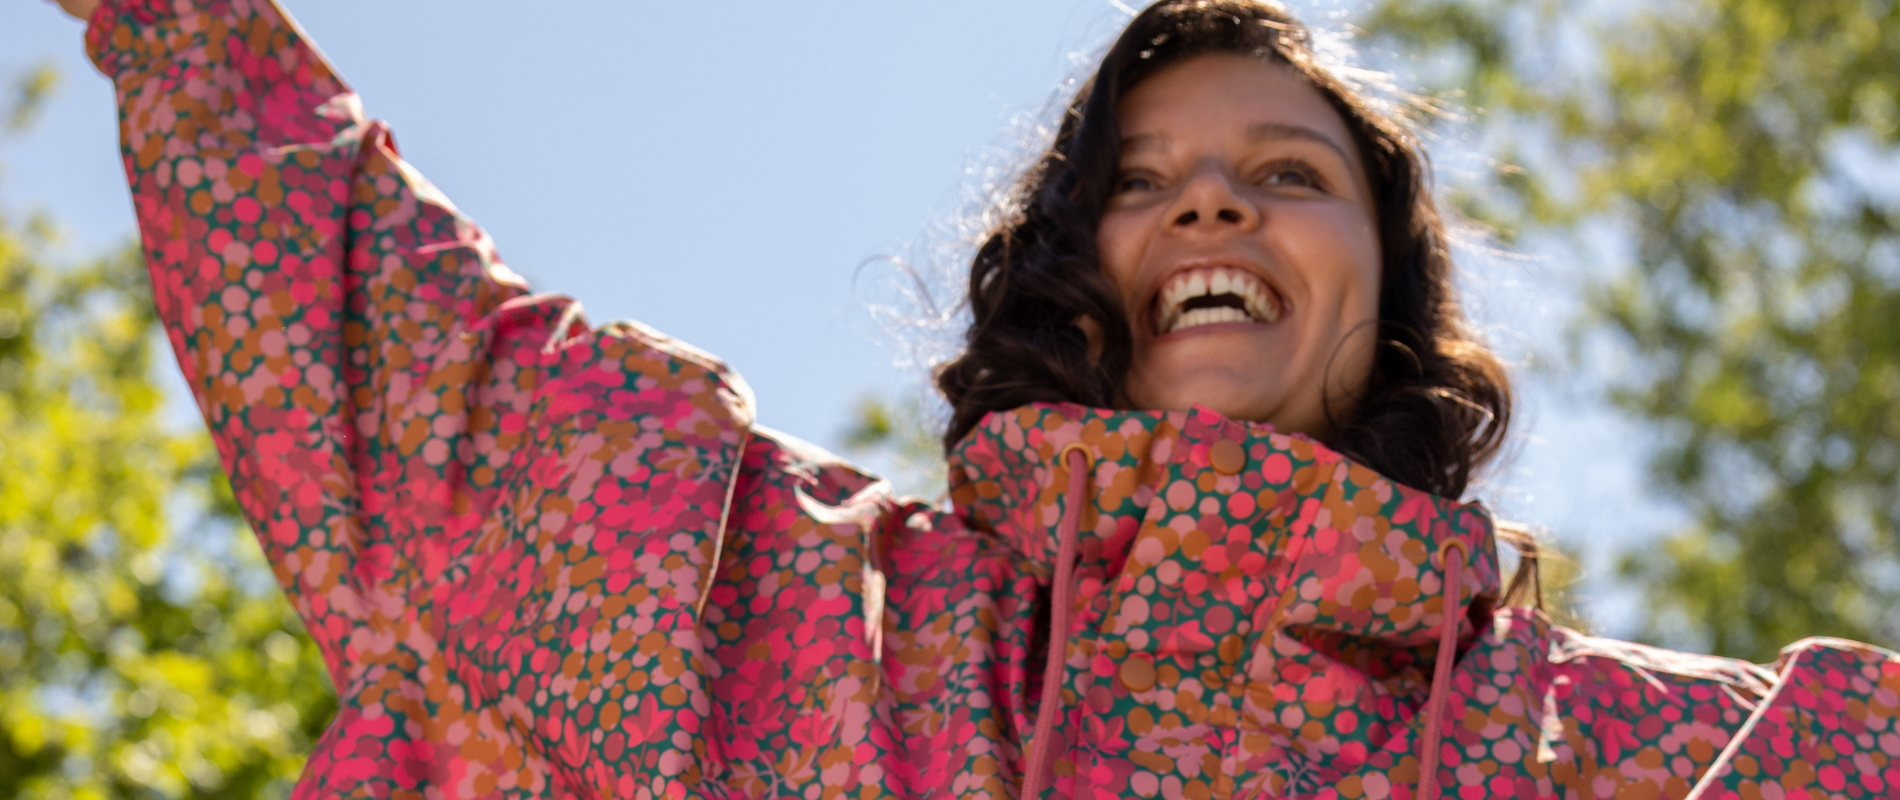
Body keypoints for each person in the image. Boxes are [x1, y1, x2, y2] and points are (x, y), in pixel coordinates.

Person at [46, 0, 1900, 797]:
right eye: (1141, 171)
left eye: (1294, 171)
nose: (1214, 198)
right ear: (1063, 285)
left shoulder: (1600, 751)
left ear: (1394, 311)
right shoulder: (809, 614)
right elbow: (406, 358)